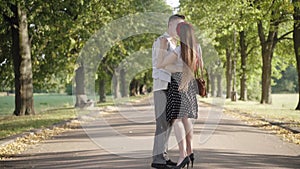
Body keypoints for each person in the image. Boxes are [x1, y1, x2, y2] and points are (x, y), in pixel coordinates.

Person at [157, 22, 201, 169]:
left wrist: (163, 48)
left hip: (177, 85)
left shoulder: (179, 49)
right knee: (186, 119)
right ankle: (190, 151)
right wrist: (176, 67)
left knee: (176, 121)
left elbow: (160, 64)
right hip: (189, 85)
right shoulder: (196, 48)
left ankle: (183, 155)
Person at [151, 14, 185, 169]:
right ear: (170, 25)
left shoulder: (174, 43)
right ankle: (157, 159)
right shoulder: (162, 41)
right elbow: (162, 64)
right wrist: (182, 69)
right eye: (178, 25)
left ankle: (163, 156)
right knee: (161, 123)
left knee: (169, 122)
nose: (180, 29)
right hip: (162, 86)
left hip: (171, 87)